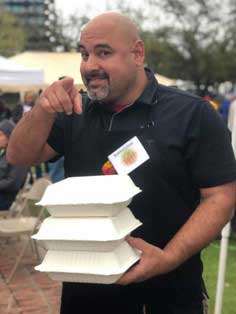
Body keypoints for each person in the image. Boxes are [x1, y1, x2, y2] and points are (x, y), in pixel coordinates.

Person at [6, 12, 236, 314]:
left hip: (170, 291)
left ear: (137, 53)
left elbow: (220, 195)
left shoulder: (191, 114)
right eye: (84, 54)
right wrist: (42, 110)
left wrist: (168, 256)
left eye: (103, 52)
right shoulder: (74, 112)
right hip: (85, 292)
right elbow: (19, 156)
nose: (90, 66)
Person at [0, 119, 28, 210]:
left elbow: (13, 182)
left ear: (9, 136)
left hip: (4, 198)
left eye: (0, 135)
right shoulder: (5, 153)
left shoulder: (18, 155)